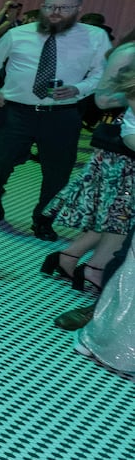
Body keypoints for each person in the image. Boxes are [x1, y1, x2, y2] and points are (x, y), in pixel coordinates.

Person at [0, 0, 111, 239]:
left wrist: (78, 89)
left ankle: (43, 218)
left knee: (58, 171)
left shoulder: (95, 36)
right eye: (49, 7)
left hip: (63, 114)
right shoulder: (18, 34)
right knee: (1, 162)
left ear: (78, 10)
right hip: (17, 111)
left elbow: (100, 73)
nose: (55, 13)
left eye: (63, 8)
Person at [43, 39, 135, 326]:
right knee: (117, 214)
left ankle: (73, 258)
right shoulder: (129, 52)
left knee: (117, 215)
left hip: (125, 148)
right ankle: (92, 268)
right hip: (121, 150)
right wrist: (129, 95)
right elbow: (104, 100)